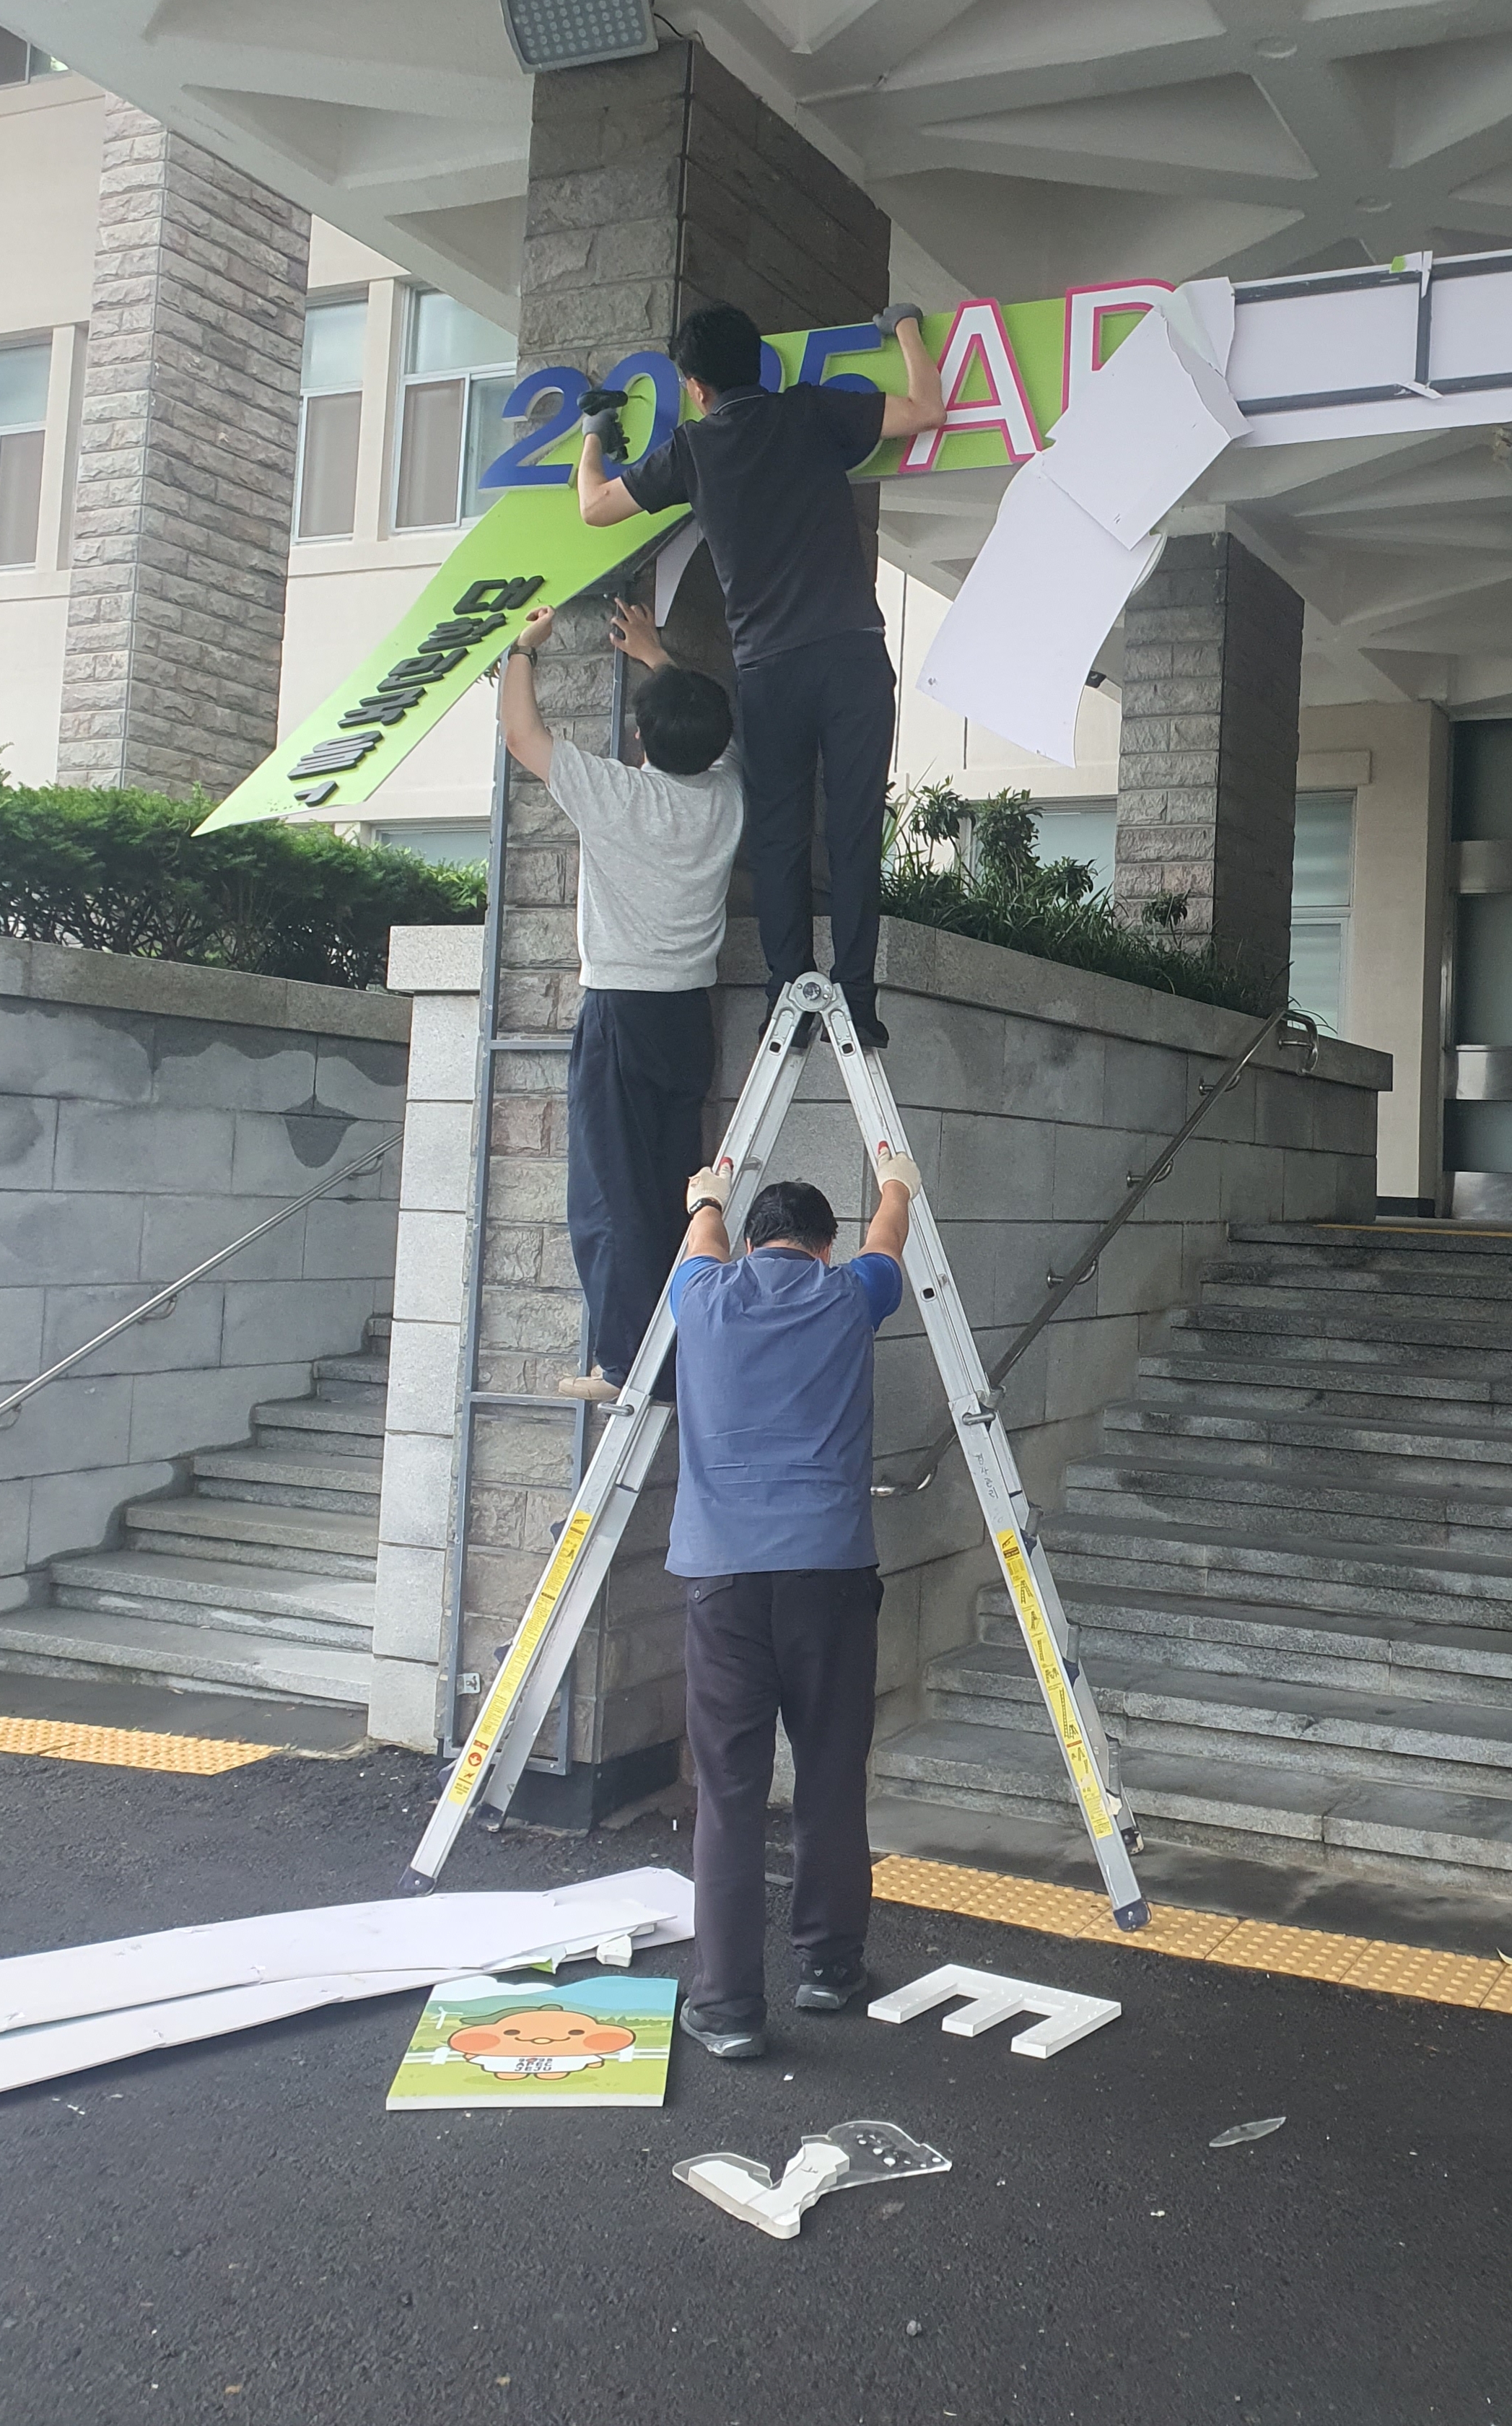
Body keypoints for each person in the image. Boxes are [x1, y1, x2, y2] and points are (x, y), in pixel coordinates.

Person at [575, 300, 945, 1049]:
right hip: (851, 655)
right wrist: (903, 325)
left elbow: (593, 507)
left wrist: (594, 434)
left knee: (778, 836)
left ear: (696, 386)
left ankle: (790, 1003)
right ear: (758, 366)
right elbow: (926, 407)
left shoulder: (692, 449)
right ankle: (858, 1003)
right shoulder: (811, 413)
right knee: (851, 828)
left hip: (771, 670)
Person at [663, 1146, 920, 2059]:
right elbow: (891, 1241)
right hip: (829, 1578)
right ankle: (828, 1964)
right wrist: (898, 1182)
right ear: (822, 1245)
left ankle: (728, 2008)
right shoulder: (847, 1294)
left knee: (729, 1793)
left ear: (756, 1242)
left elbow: (701, 1236)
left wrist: (708, 1195)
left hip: (723, 1584)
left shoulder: (700, 1297)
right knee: (829, 1773)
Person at [497, 598, 745, 1405]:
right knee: (675, 1183)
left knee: (609, 1191)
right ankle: (679, 1349)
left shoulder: (616, 796)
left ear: (641, 739)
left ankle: (624, 1363)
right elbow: (710, 729)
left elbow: (523, 739)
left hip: (622, 1014)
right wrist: (657, 654)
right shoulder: (726, 796)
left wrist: (523, 650)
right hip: (687, 1018)